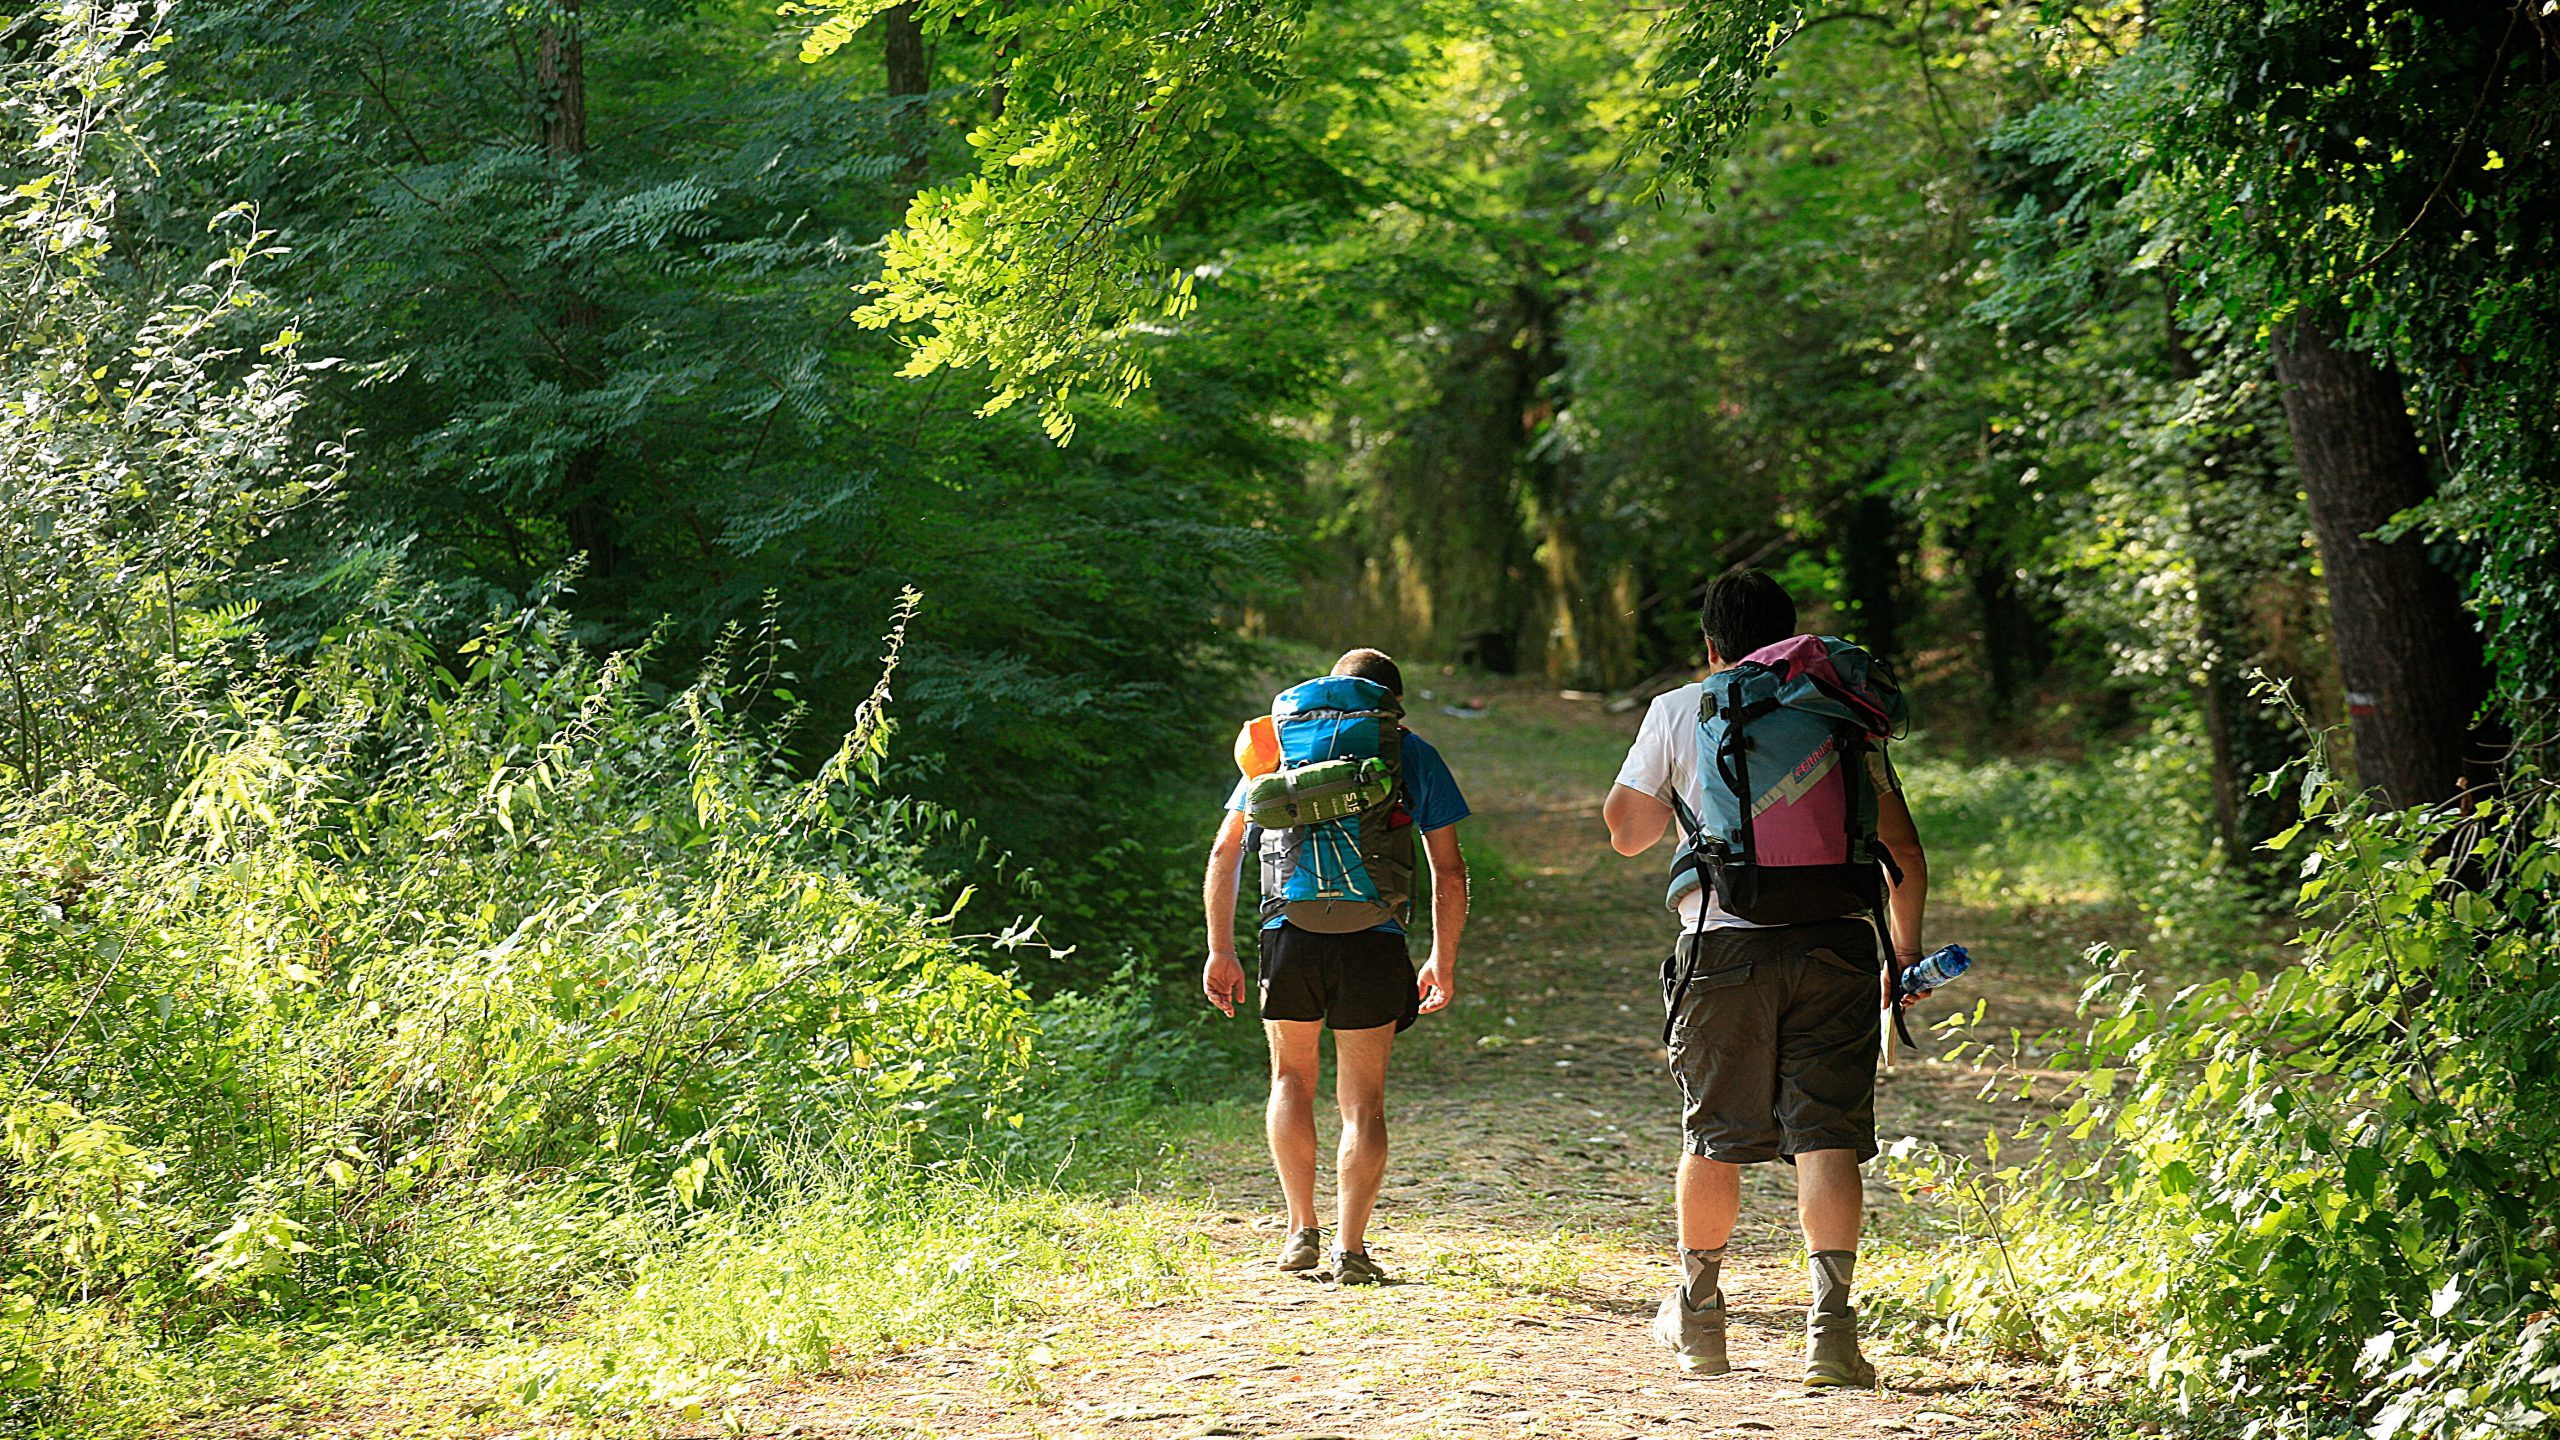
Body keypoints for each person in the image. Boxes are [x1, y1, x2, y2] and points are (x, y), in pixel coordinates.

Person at [1601, 569, 1930, 1387]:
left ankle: (1702, 1323)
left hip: (1724, 947)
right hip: (1838, 945)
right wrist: (1903, 959)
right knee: (1827, 1135)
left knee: (1714, 1133)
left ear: (1710, 645)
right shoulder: (1836, 711)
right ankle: (1831, 1336)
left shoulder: (1683, 707)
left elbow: (1626, 835)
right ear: (1792, 634)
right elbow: (1906, 856)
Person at [1202, 648, 1470, 1285]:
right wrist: (1442, 958)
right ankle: (1351, 1248)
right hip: (1373, 938)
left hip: (1287, 933)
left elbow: (1225, 850)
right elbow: (1450, 870)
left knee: (1291, 1080)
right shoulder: (1408, 751)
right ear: (1391, 703)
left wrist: (1220, 948)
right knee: (1364, 1102)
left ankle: (1301, 1230)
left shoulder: (1279, 746)